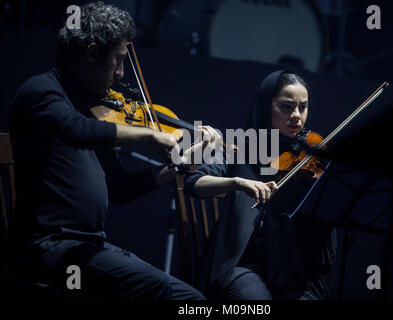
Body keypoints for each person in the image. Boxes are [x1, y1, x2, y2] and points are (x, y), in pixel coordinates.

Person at [6, 1, 217, 300]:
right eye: (117, 61)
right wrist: (148, 136)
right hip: (47, 250)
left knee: (191, 299)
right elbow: (76, 131)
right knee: (155, 289)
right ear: (92, 53)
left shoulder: (95, 110)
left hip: (88, 248)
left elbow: (120, 190)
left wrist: (179, 165)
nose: (120, 73)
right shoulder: (42, 93)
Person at [184, 70, 338, 300]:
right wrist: (237, 182)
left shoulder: (312, 155)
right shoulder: (242, 149)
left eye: (303, 107)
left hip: (297, 270)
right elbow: (194, 183)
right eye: (286, 107)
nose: (297, 115)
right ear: (266, 106)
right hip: (246, 266)